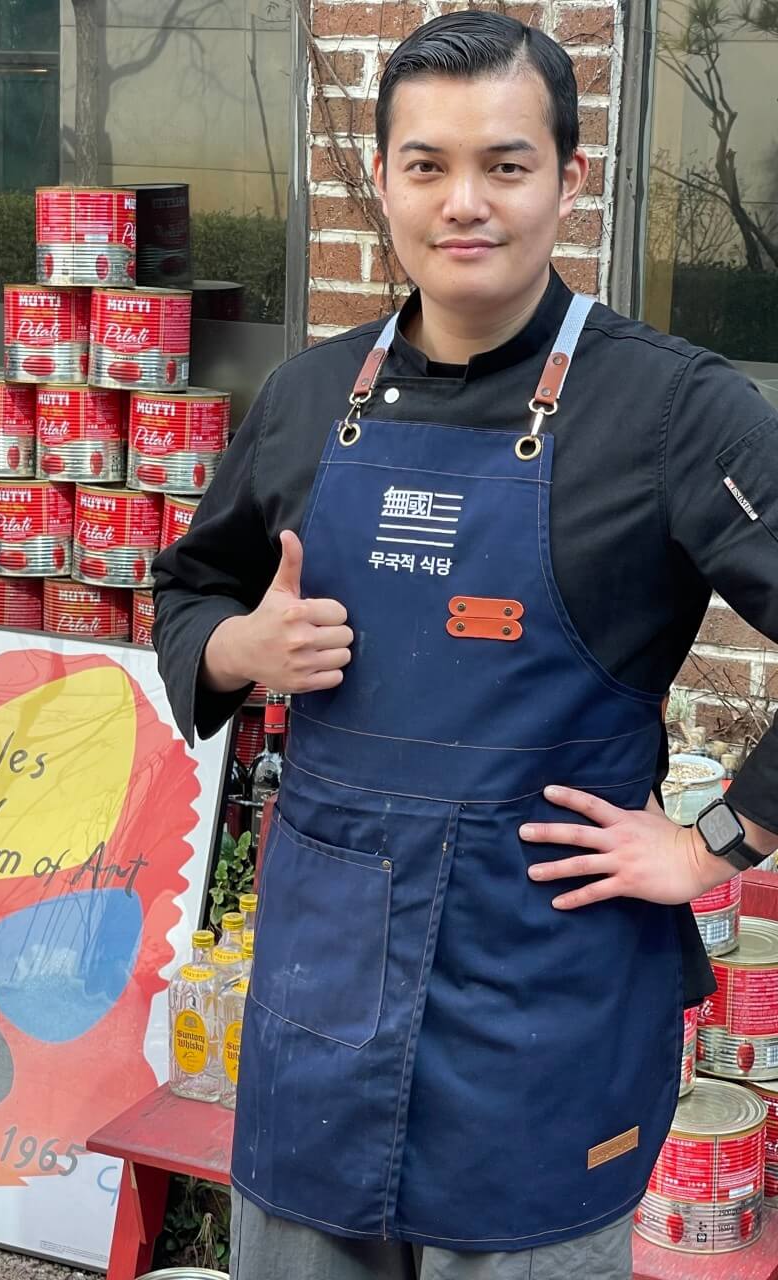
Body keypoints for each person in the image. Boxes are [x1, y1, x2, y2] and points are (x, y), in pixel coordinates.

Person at [152, 12, 778, 1279]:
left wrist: (720, 841)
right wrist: (238, 649)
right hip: (321, 1004)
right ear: (379, 179)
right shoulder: (304, 395)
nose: (464, 202)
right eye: (426, 164)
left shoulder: (671, 408)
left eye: (506, 163)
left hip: (545, 1005)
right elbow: (190, 592)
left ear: (569, 181)